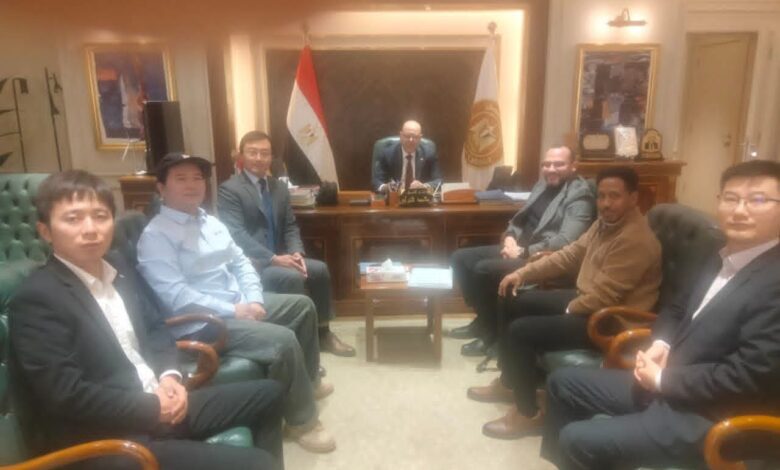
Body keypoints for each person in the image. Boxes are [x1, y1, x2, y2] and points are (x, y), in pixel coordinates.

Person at [10, 170, 284, 470]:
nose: (90, 229)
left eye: (100, 216)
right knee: (259, 464)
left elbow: (155, 328)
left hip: (154, 402)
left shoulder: (117, 266)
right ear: (46, 231)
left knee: (270, 394)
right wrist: (153, 407)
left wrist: (169, 377)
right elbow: (66, 395)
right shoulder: (37, 298)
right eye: (73, 219)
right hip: (103, 439)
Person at [541, 160, 780, 469]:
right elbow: (677, 307)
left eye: (758, 200)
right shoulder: (718, 254)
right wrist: (661, 343)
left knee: (577, 439)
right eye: (731, 199)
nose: (740, 211)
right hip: (672, 382)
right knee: (561, 383)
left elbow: (748, 377)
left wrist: (664, 378)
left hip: (716, 414)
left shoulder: (773, 280)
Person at [136, 153, 336, 454]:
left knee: (302, 306)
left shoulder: (210, 221)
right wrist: (234, 311)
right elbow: (176, 296)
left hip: (236, 304)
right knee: (282, 340)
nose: (192, 185)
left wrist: (253, 299)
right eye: (181, 179)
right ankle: (302, 422)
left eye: (197, 178)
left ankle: (307, 383)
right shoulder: (155, 236)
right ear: (161, 188)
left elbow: (241, 262)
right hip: (201, 322)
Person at [467, 166, 662, 439]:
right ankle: (510, 383)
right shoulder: (604, 224)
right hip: (588, 301)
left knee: (521, 331)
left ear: (633, 198)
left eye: (615, 196)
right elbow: (569, 255)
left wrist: (568, 310)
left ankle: (528, 413)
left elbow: (606, 297)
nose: (606, 203)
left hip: (609, 320)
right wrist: (522, 274)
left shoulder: (635, 239)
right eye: (602, 196)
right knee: (510, 298)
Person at [218, 131, 355, 357]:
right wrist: (273, 259)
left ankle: (323, 333)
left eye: (265, 153)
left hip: (283, 257)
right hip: (254, 264)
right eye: (253, 153)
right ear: (241, 156)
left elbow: (290, 225)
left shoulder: (278, 188)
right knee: (291, 277)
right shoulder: (229, 189)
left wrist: (296, 252)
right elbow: (236, 234)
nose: (259, 158)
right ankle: (298, 345)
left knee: (319, 269)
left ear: (271, 157)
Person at [450, 146, 596, 356]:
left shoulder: (580, 196)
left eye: (558, 164)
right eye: (546, 164)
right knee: (460, 258)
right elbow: (520, 219)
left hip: (539, 257)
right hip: (516, 247)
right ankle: (484, 319)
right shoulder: (542, 185)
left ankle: (493, 334)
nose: (551, 169)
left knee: (483, 270)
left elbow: (566, 241)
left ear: (574, 166)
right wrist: (510, 236)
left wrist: (524, 252)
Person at [372, 120, 442, 192]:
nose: (411, 140)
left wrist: (423, 186)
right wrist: (386, 187)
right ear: (401, 136)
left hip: (418, 196)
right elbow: (376, 182)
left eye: (415, 137)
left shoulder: (429, 153)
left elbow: (438, 181)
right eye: (407, 136)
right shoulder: (387, 153)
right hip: (395, 196)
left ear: (420, 138)